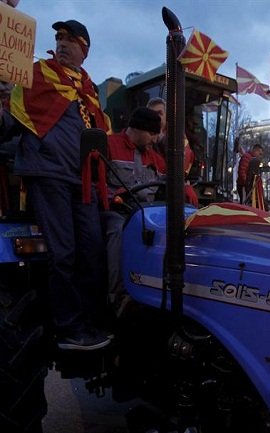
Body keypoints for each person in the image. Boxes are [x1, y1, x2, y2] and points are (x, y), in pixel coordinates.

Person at [0, 20, 111, 350]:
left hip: (84, 181)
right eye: (58, 38)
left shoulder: (89, 91)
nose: (61, 44)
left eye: (69, 39)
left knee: (92, 250)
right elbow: (10, 123)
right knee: (62, 254)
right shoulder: (35, 75)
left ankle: (92, 321)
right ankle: (68, 328)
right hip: (48, 176)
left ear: (84, 49)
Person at [102, 107, 164, 306]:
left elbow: (169, 177)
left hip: (147, 212)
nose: (155, 139)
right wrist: (113, 196)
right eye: (152, 133)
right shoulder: (109, 146)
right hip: (116, 210)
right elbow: (93, 182)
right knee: (119, 231)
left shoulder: (154, 157)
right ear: (137, 129)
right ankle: (117, 294)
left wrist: (183, 186)